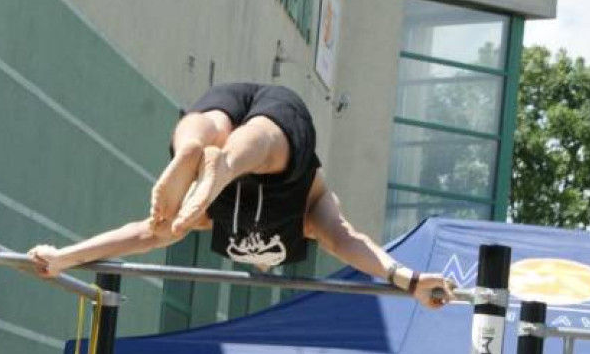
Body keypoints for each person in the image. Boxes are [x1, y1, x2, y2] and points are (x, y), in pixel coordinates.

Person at [29, 82, 453, 309]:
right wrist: (407, 278)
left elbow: (141, 234)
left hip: (225, 134)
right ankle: (212, 160)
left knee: (216, 133)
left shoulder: (211, 217)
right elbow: (348, 241)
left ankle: (194, 150)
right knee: (266, 148)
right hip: (274, 123)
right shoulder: (308, 216)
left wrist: (66, 256)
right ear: (277, 252)